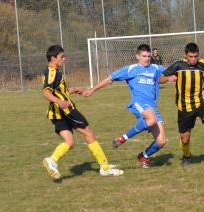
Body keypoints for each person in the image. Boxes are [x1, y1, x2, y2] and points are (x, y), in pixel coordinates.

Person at [83, 44, 172, 168]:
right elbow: (110, 78)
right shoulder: (131, 69)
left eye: (148, 56)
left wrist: (172, 77)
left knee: (161, 141)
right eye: (144, 56)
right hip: (139, 103)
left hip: (152, 107)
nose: (147, 58)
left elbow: (168, 74)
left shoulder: (155, 68)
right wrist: (92, 89)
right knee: (151, 120)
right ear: (137, 56)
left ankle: (144, 156)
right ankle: (122, 138)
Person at [42, 45, 123, 179]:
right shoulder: (53, 72)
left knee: (70, 142)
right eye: (62, 57)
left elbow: (58, 91)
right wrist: (61, 102)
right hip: (66, 111)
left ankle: (52, 160)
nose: (64, 59)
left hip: (55, 113)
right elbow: (46, 92)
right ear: (53, 58)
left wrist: (73, 90)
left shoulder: (52, 71)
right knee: (89, 133)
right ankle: (105, 167)